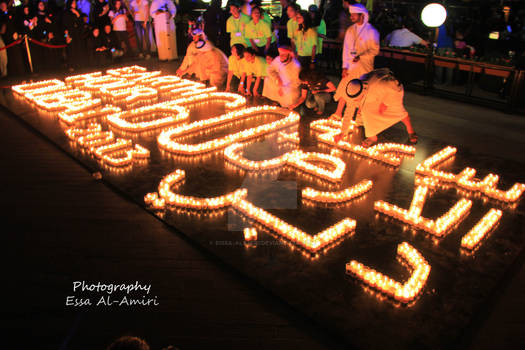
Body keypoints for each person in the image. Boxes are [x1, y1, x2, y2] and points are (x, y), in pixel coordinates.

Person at [333, 68, 418, 147]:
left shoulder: (378, 85)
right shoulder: (352, 91)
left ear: (363, 93)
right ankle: (372, 137)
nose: (355, 102)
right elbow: (348, 112)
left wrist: (386, 103)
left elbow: (396, 86)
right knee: (366, 112)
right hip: (373, 97)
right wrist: (342, 133)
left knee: (398, 111)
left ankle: (411, 131)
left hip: (391, 92)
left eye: (357, 100)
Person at [332, 3, 379, 120]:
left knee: (361, 91)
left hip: (364, 67)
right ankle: (338, 113)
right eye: (350, 14)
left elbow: (375, 50)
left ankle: (359, 116)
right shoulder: (350, 30)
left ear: (362, 15)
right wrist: (344, 66)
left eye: (353, 14)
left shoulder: (372, 31)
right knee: (344, 88)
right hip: (350, 67)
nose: (351, 17)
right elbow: (346, 49)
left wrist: (361, 56)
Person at [262, 45, 302, 109]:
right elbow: (270, 70)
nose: (281, 57)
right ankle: (276, 101)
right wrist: (276, 78)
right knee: (267, 80)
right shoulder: (278, 59)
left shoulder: (296, 66)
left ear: (289, 56)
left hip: (290, 86)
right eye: (280, 54)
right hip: (279, 82)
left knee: (289, 93)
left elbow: (296, 82)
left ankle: (286, 105)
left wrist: (283, 88)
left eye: (283, 55)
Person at [63, 0, 87, 70]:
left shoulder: (77, 12)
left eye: (75, 3)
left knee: (79, 49)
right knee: (71, 50)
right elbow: (64, 26)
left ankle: (79, 64)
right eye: (73, 3)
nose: (74, 4)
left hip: (78, 34)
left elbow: (81, 23)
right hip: (70, 34)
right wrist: (66, 36)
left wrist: (77, 14)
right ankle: (71, 66)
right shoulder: (66, 13)